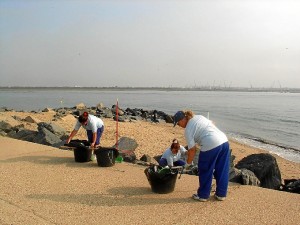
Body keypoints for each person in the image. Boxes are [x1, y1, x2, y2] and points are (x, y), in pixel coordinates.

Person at [173, 110, 230, 202]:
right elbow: (212, 123)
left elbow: (192, 150)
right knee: (222, 169)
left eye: (178, 123)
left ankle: (203, 195)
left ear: (183, 119)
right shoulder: (199, 117)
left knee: (205, 169)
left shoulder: (188, 130)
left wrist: (188, 163)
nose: (179, 126)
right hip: (224, 141)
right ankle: (221, 194)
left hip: (210, 144)